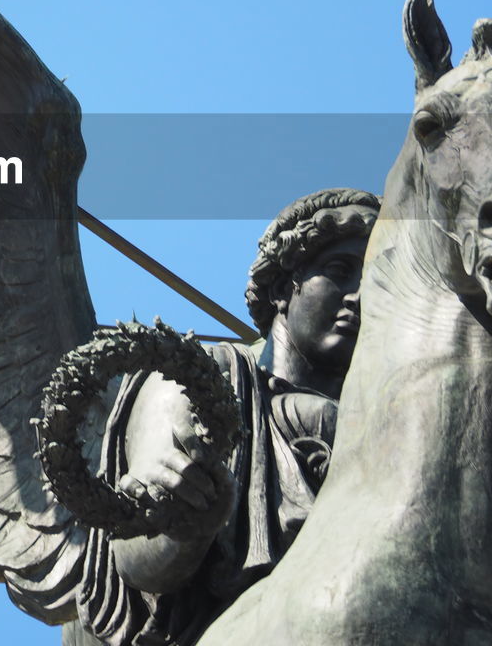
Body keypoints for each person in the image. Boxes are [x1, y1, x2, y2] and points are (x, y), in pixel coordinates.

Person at [73, 188, 381, 646]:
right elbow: (136, 556)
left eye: (376, 284)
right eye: (339, 271)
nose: (359, 296)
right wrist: (187, 527)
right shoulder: (203, 377)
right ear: (282, 288)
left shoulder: (384, 428)